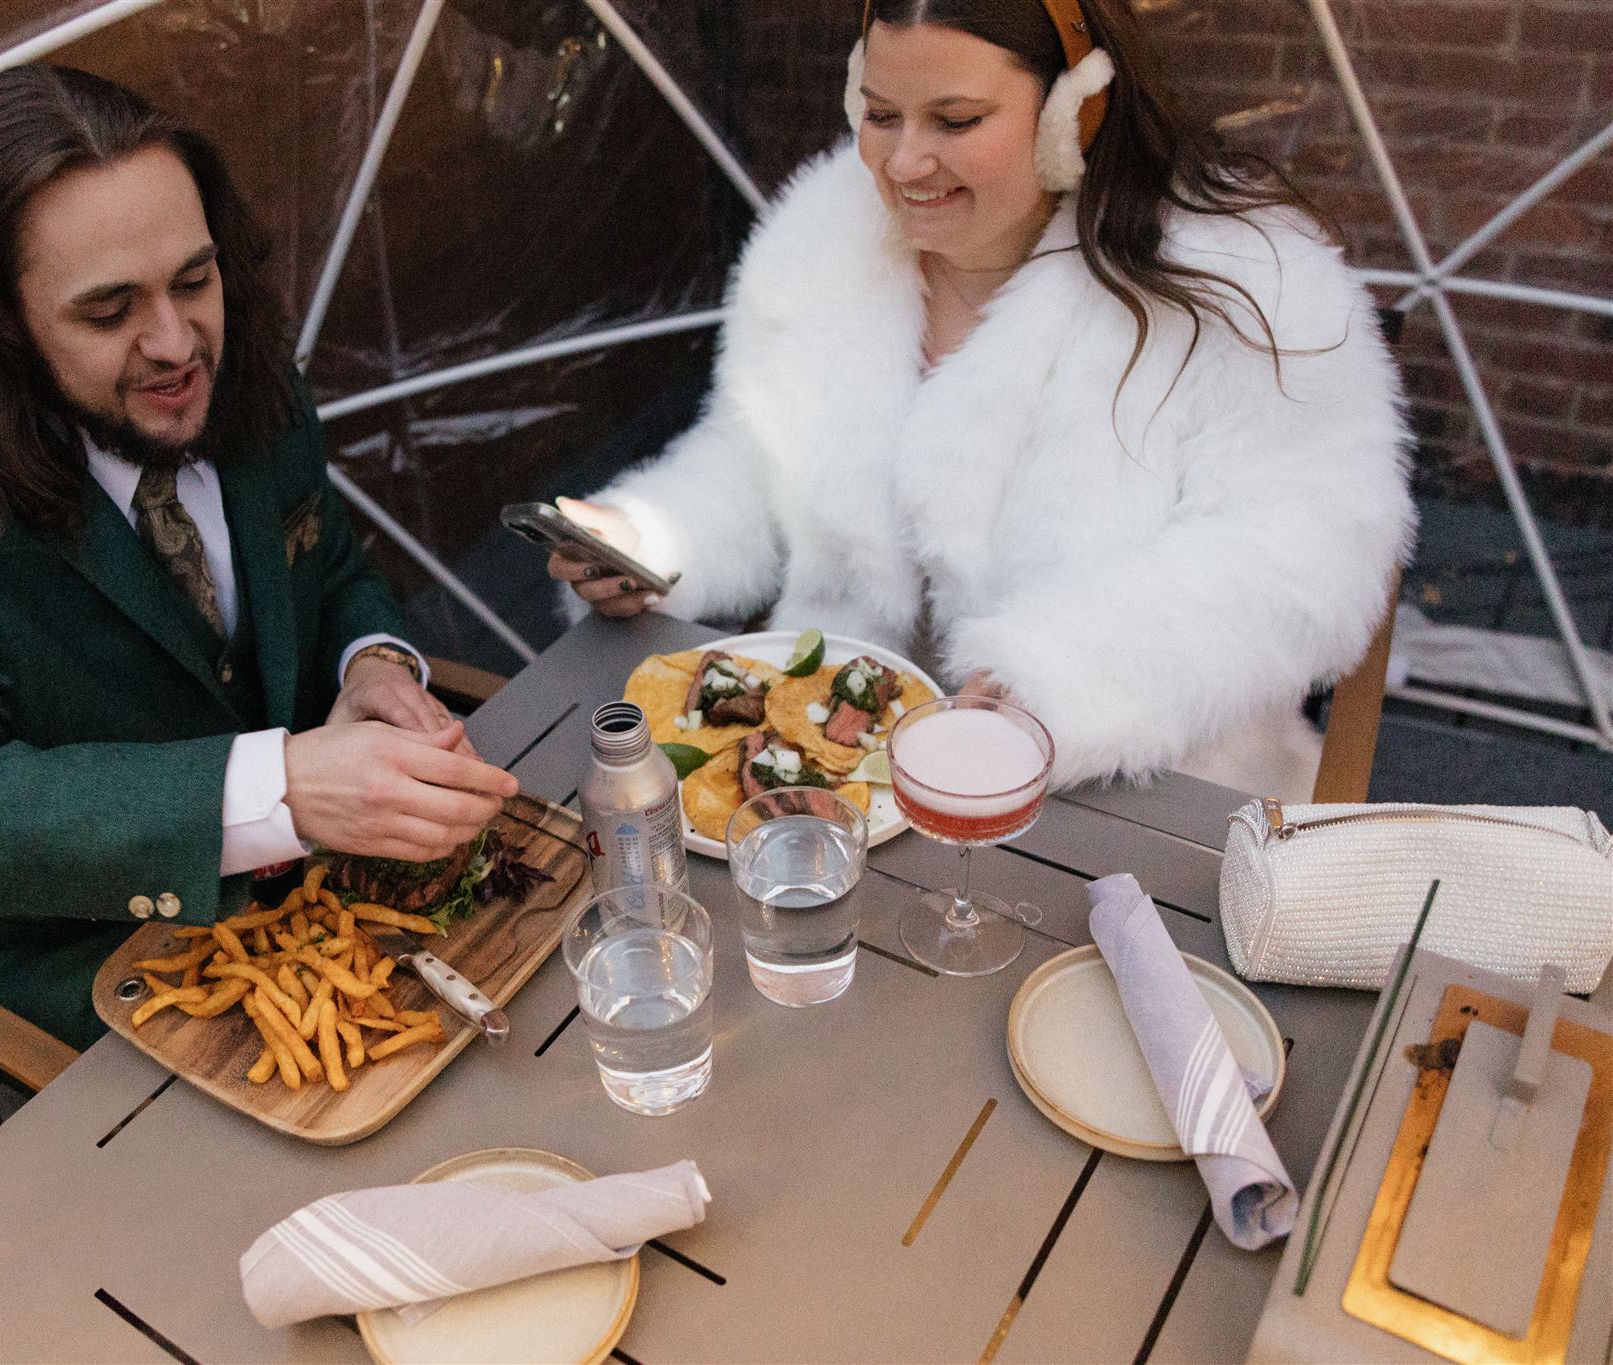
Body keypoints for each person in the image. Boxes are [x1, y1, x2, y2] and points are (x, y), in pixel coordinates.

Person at [0, 65, 518, 1047]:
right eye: (109, 312)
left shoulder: (259, 389)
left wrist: (374, 669)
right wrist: (276, 790)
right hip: (115, 983)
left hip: (360, 912)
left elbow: (336, 570)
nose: (178, 342)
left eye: (194, 279)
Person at [553, 0, 1413, 798]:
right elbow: (758, 456)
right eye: (880, 113)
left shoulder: (1239, 281)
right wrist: (653, 539)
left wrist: (1062, 681)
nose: (903, 161)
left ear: (1073, 111)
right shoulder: (823, 242)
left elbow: (1306, 551)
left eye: (956, 121)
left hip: (1131, 797)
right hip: (833, 767)